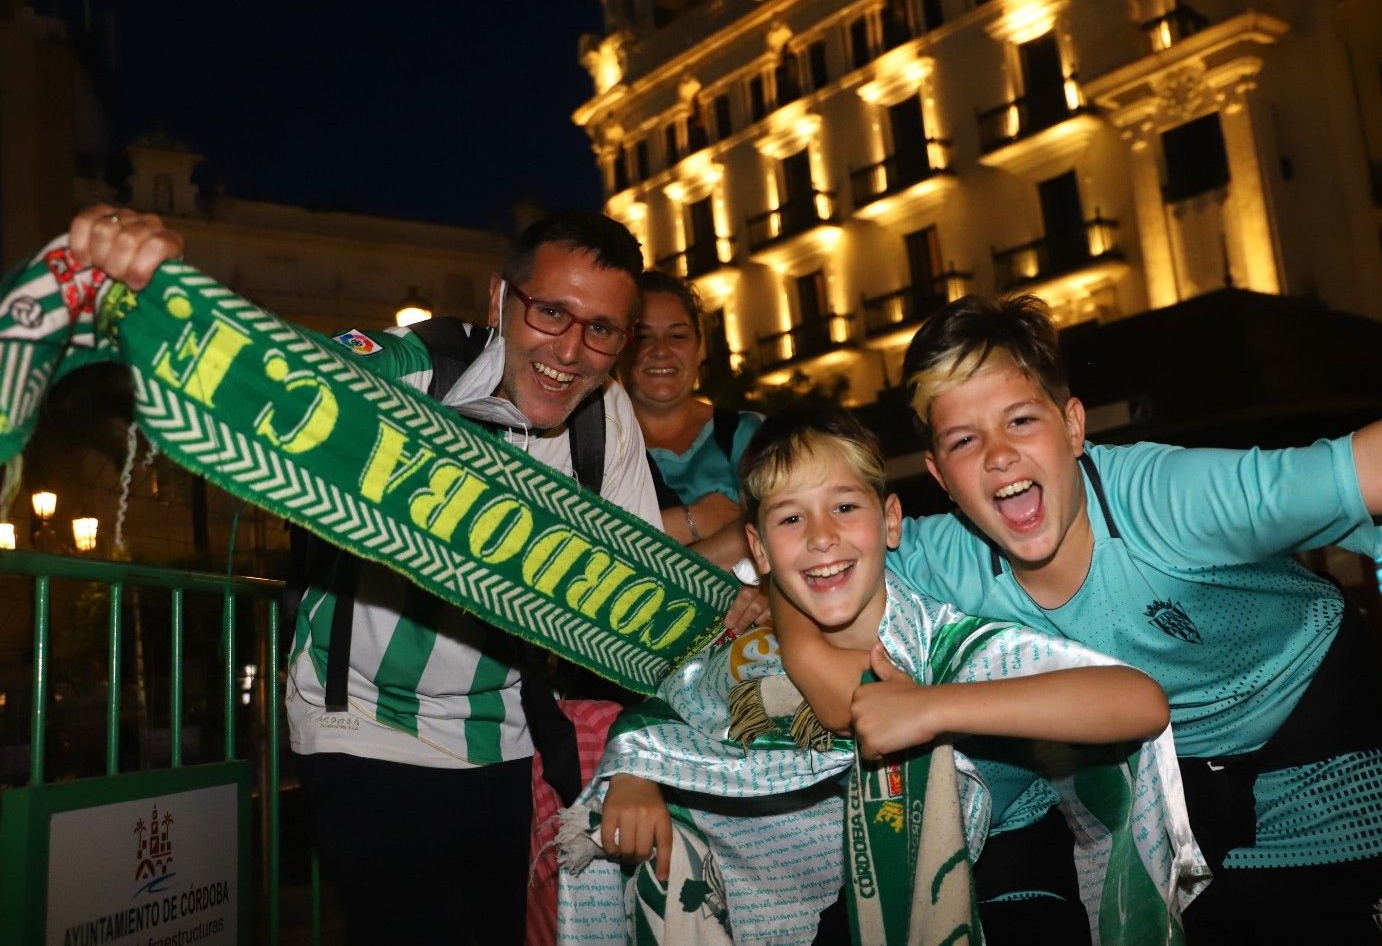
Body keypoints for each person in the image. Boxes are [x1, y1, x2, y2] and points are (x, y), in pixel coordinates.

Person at [776, 293, 1382, 944]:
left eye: (1021, 419)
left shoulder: (1163, 499)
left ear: (1073, 427)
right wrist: (806, 653)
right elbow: (783, 555)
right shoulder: (935, 552)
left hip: (1335, 751)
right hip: (1187, 811)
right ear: (939, 477)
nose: (996, 454)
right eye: (963, 439)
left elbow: (1370, 468)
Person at [65, 204, 669, 945]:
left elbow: (645, 600)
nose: (570, 348)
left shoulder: (608, 421)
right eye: (551, 312)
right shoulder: (423, 364)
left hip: (504, 743)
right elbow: (293, 374)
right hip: (364, 733)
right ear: (499, 300)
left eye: (601, 328)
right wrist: (162, 288)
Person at [559, 404, 1195, 945]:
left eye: (843, 507)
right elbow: (672, 715)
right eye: (789, 518)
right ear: (757, 549)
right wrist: (637, 776)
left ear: (890, 520)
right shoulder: (749, 654)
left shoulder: (933, 642)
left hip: (988, 886)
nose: (820, 537)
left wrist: (932, 707)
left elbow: (1136, 700)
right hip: (798, 906)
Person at [620, 270, 760, 568]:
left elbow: (782, 531)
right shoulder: (595, 447)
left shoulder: (751, 435)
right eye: (643, 336)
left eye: (677, 335)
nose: (661, 350)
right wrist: (697, 519)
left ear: (698, 347)